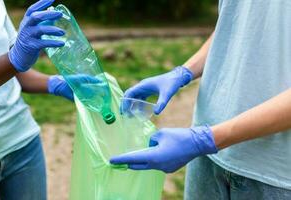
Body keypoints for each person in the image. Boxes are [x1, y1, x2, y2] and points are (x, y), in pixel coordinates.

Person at [110, 0, 291, 199]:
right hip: (207, 155)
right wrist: (184, 71)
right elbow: (234, 23)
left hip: (274, 174)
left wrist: (205, 139)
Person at [0, 0, 76, 199]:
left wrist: (55, 83)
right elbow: (13, 60)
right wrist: (14, 59)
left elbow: (14, 69)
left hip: (22, 142)